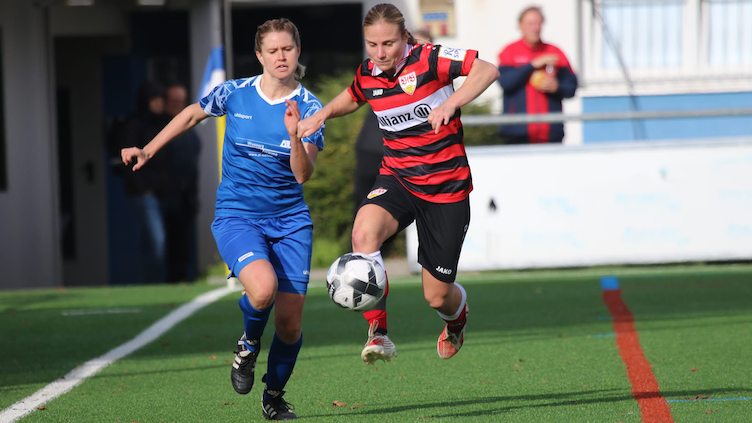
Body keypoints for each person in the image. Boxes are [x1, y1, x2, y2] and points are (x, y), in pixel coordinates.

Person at [122, 18, 324, 420]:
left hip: (290, 221)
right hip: (238, 216)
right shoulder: (235, 92)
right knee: (262, 290)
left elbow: (302, 175)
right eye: (272, 50)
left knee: (288, 324)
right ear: (259, 55)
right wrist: (148, 149)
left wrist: (296, 135)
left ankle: (275, 396)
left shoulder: (311, 107)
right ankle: (248, 346)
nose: (280, 57)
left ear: (297, 52)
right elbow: (191, 115)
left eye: (287, 49)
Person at [298, 3, 499, 364]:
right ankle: (379, 333)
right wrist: (324, 113)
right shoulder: (369, 72)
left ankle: (457, 319)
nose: (380, 53)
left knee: (437, 296)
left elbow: (487, 69)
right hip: (399, 177)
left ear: (404, 37)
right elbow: (354, 94)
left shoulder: (430, 59)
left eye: (388, 44)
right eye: (372, 45)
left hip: (445, 188)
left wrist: (451, 102)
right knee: (364, 235)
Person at [115, 82, 172, 284]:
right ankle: (154, 283)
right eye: (155, 100)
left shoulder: (164, 123)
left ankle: (160, 281)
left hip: (165, 192)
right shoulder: (135, 124)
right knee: (156, 240)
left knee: (159, 241)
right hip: (144, 195)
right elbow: (126, 161)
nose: (159, 104)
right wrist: (143, 189)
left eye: (161, 100)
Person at [497, 5, 578, 144]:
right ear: (520, 26)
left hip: (551, 133)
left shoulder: (555, 52)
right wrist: (532, 65)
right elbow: (505, 82)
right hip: (518, 134)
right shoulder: (509, 51)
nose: (535, 28)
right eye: (530, 24)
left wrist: (557, 87)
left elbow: (571, 88)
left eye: (538, 23)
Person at [162, 83, 202, 283]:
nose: (177, 105)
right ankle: (160, 282)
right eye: (173, 101)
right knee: (161, 243)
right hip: (162, 196)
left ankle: (183, 279)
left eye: (180, 101)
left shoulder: (190, 132)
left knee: (183, 242)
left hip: (185, 196)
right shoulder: (157, 126)